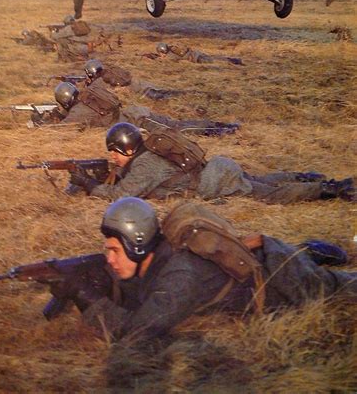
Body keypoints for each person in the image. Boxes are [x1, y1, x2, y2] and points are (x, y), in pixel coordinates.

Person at [49, 197, 356, 346]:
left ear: (137, 245)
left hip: (282, 276)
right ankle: (308, 251)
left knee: (339, 288)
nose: (109, 259)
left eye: (114, 250)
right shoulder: (159, 258)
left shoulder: (180, 276)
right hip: (262, 260)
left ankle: (309, 253)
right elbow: (143, 295)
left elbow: (139, 332)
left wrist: (91, 301)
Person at [69, 122, 355, 203]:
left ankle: (330, 189)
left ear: (128, 149)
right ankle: (306, 176)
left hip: (215, 181)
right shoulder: (145, 155)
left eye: (115, 152)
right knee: (262, 181)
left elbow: (122, 195)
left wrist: (89, 185)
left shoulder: (144, 166)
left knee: (269, 194)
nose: (113, 157)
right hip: (217, 169)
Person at [37, 82, 240, 137]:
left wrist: (43, 121)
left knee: (178, 130)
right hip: (136, 113)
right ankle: (219, 126)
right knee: (177, 125)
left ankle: (222, 130)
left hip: (139, 120)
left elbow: (61, 130)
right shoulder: (86, 98)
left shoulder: (78, 112)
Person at [84, 58, 193, 101]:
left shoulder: (99, 82)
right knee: (170, 92)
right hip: (142, 85)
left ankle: (190, 95)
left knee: (167, 98)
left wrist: (88, 85)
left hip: (143, 94)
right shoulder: (109, 72)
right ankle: (191, 93)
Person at [154, 42, 244, 65]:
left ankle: (234, 61)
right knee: (216, 58)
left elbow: (164, 60)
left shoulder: (170, 55)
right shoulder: (173, 49)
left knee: (215, 61)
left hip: (197, 58)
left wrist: (157, 58)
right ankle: (233, 60)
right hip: (196, 53)